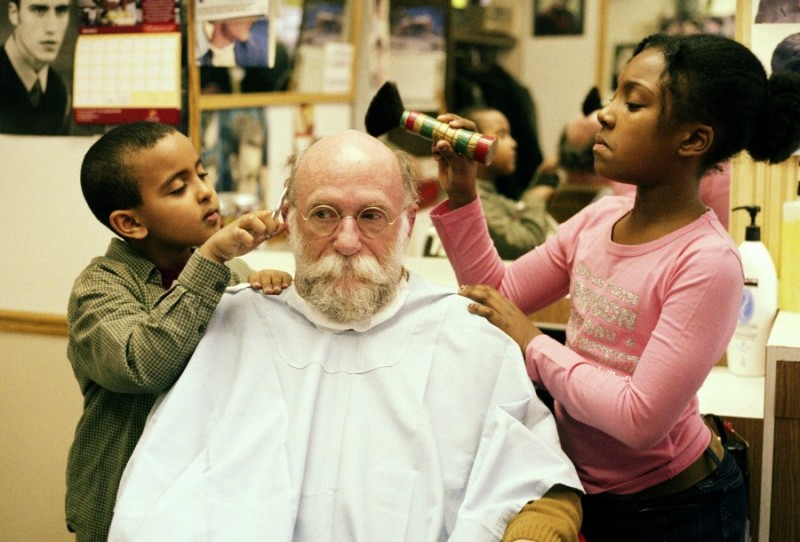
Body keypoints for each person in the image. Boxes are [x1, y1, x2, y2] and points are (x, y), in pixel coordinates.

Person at [107, 129, 584, 541]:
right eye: (324, 214)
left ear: (408, 223)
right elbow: (158, 495)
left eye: (372, 216)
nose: (348, 241)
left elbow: (538, 487)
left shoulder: (469, 339)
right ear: (289, 220)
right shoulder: (236, 324)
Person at [430, 33, 800, 541]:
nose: (605, 114)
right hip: (586, 493)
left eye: (634, 103)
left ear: (693, 141)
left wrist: (534, 344)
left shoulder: (707, 262)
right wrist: (463, 191)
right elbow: (494, 294)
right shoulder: (599, 218)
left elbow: (638, 418)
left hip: (676, 511)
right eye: (613, 96)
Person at [65, 121, 292, 541]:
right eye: (177, 187)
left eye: (201, 173)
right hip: (120, 511)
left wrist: (268, 286)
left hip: (202, 501)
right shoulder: (98, 288)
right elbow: (143, 365)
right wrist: (210, 258)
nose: (205, 191)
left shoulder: (231, 273)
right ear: (130, 223)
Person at [454, 106, 555, 260]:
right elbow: (528, 244)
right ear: (473, 144)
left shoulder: (488, 193)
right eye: (502, 134)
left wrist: (540, 179)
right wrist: (536, 197)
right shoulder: (472, 197)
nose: (513, 143)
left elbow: (516, 212)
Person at [0, 0, 71, 135]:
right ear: (14, 13)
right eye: (39, 10)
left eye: (61, 11)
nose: (52, 28)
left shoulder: (58, 91)